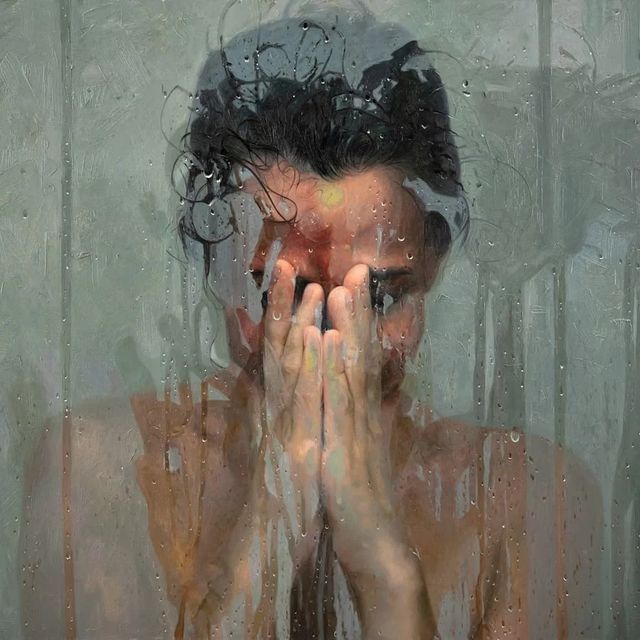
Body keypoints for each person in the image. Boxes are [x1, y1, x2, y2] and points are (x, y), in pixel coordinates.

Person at [99, 4, 602, 639]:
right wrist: (272, 510)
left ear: (434, 267)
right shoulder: (103, 472)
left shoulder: (530, 496)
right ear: (214, 268)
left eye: (378, 300)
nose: (332, 343)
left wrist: (381, 561)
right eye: (278, 297)